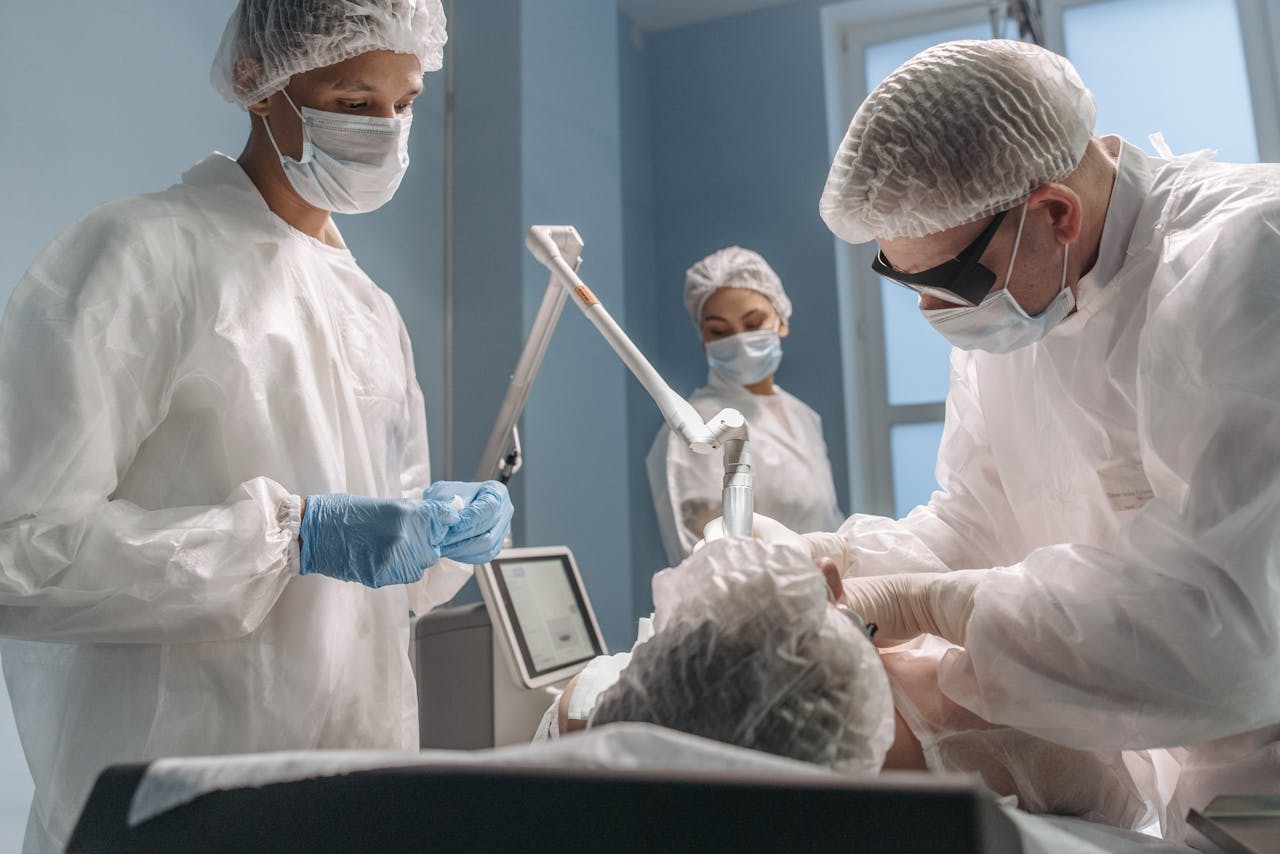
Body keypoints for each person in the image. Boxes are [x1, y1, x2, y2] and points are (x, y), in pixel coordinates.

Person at [737, 38, 1279, 841]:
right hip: (1193, 774)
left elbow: (1227, 628)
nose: (934, 315)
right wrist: (835, 568)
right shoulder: (1024, 311)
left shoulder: (1247, 262)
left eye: (949, 283)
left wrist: (925, 604)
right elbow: (973, 525)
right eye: (903, 280)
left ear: (1053, 214)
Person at [0, 3, 513, 850]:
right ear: (256, 83)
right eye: (353, 102)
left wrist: (440, 541)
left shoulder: (371, 311)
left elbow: (381, 574)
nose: (385, 132)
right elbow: (19, 547)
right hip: (177, 808)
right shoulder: (144, 255)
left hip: (351, 786)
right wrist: (284, 539)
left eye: (405, 103)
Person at [646, 247, 843, 563]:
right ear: (703, 338)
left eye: (753, 324)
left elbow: (826, 523)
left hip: (821, 597)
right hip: (750, 607)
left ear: (781, 321)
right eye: (719, 331)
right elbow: (710, 557)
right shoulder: (696, 425)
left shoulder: (802, 416)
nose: (738, 341)